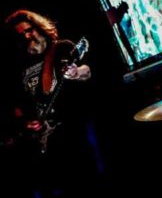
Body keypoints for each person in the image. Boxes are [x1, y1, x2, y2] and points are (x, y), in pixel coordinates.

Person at [1, 10, 96, 197]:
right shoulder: (19, 65)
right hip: (41, 145)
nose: (27, 36)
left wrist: (77, 73)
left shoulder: (62, 48)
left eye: (29, 30)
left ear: (39, 27)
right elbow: (17, 106)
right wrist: (25, 123)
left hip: (72, 137)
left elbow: (87, 71)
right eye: (21, 34)